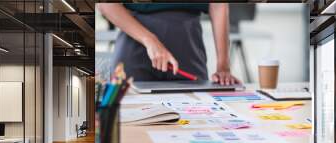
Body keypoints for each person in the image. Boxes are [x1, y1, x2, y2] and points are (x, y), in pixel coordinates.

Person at [98, 3, 240, 85]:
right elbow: (106, 4)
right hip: (135, 42)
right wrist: (150, 40)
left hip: (188, 45)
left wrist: (223, 67)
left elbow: (218, 5)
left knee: (195, 115)